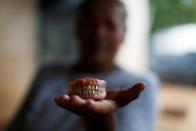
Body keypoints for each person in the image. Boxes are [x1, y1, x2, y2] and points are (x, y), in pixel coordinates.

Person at [7, 0, 159, 131]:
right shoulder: (47, 74)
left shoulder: (139, 86)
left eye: (110, 25)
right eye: (91, 23)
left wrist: (103, 125)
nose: (99, 33)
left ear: (123, 33)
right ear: (77, 28)